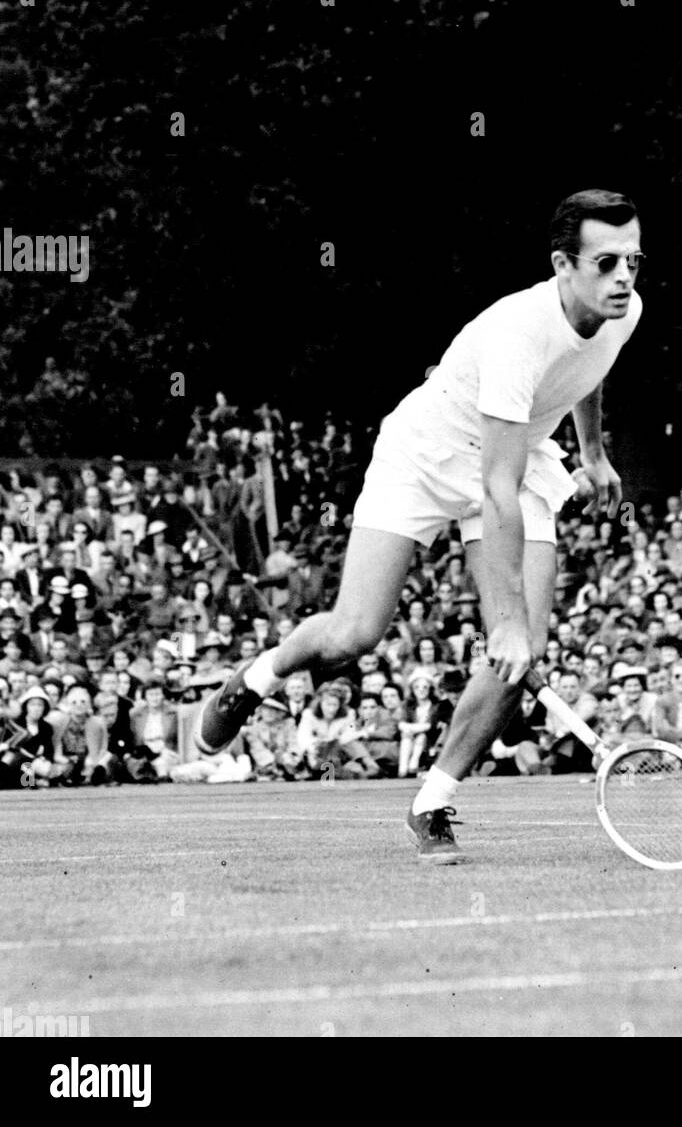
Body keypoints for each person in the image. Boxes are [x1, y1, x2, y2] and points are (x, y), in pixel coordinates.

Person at [198, 189, 643, 862]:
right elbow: (493, 492)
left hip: (516, 460)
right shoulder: (516, 333)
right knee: (355, 632)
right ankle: (261, 673)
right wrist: (505, 618)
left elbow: (586, 373)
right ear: (562, 264)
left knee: (523, 656)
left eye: (633, 262)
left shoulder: (623, 311)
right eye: (606, 262)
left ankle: (431, 801)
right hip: (427, 456)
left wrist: (590, 453)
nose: (623, 278)